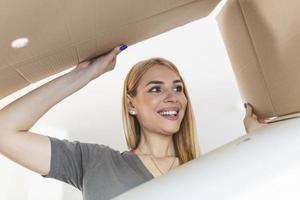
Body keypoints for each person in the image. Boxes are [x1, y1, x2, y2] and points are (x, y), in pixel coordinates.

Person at [0, 44, 265, 200]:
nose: (172, 98)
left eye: (178, 88)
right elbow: (4, 131)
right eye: (155, 89)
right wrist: (85, 74)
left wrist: (259, 146)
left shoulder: (207, 171)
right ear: (131, 104)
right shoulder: (94, 162)